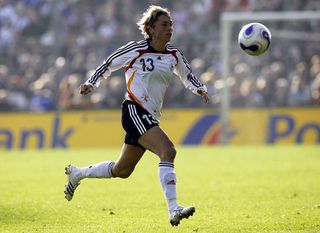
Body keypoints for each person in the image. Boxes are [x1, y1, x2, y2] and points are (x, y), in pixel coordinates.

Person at [64, 5, 209, 227]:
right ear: (150, 29)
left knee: (122, 170)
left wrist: (200, 89)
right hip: (133, 109)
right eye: (164, 24)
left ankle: (78, 174)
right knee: (168, 151)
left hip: (150, 116)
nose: (170, 28)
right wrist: (91, 83)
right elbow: (108, 64)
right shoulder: (136, 49)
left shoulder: (174, 54)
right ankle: (174, 208)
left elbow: (187, 75)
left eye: (170, 24)